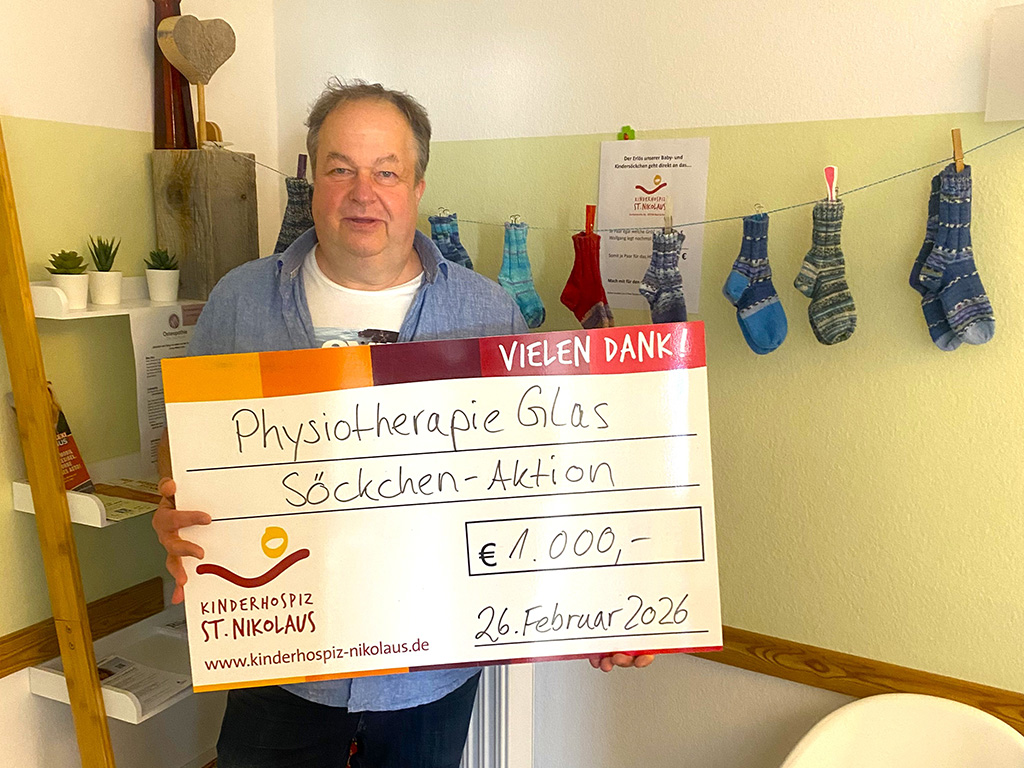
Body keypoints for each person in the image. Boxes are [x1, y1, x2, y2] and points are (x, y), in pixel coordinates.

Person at [153, 78, 653, 768]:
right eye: (341, 169)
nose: (364, 193)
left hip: (430, 678)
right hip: (278, 666)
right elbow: (181, 442)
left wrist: (608, 601)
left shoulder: (488, 313)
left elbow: (543, 482)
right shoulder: (240, 301)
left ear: (417, 187)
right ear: (314, 180)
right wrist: (175, 508)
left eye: (386, 172)